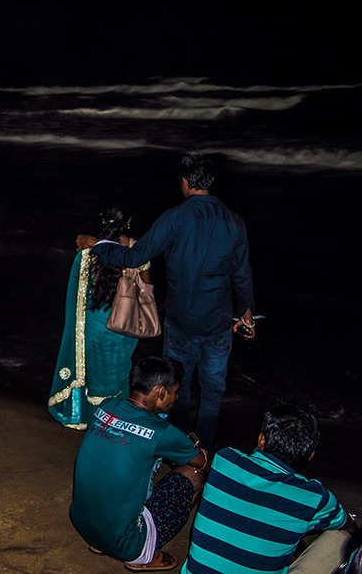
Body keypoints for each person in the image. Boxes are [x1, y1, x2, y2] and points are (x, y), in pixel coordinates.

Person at [78, 153, 255, 453]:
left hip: (182, 322)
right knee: (213, 391)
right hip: (219, 325)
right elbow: (242, 274)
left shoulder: (174, 218)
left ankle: (181, 448)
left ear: (185, 183)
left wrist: (100, 246)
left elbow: (134, 257)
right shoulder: (235, 223)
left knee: (178, 390)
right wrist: (247, 312)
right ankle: (205, 451)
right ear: (210, 183)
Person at [182, 402, 358, 574]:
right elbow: (346, 524)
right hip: (316, 512)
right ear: (310, 456)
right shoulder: (314, 498)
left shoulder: (224, 460)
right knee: (340, 536)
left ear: (261, 439)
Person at [71, 355, 208, 572]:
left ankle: (100, 542)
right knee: (194, 474)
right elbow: (201, 462)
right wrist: (194, 448)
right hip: (128, 544)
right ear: (161, 392)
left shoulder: (107, 405)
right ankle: (144, 553)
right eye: (175, 391)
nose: (176, 397)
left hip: (82, 523)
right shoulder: (161, 432)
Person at [49, 205, 153, 429]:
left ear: (103, 220)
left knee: (95, 375)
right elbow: (147, 288)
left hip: (94, 325)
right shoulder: (137, 251)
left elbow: (76, 297)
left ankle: (95, 423)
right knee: (118, 375)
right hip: (124, 327)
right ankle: (115, 424)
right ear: (128, 222)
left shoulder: (88, 253)